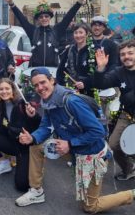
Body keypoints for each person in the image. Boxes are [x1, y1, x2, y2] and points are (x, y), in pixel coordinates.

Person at [16, 67, 134, 213]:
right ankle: (36, 191)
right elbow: (46, 127)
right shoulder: (48, 101)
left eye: (42, 82)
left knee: (90, 207)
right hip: (72, 150)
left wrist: (70, 144)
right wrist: (32, 137)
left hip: (91, 155)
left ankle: (132, 194)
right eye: (36, 85)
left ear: (52, 80)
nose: (40, 88)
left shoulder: (71, 101)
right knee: (36, 146)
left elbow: (98, 131)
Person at [0, 78, 40, 191]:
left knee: (21, 186)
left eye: (7, 88)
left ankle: (23, 163)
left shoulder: (23, 103)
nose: (4, 91)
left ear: (13, 90)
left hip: (25, 147)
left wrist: (33, 115)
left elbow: (38, 124)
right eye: (1, 89)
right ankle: (3, 163)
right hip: (10, 142)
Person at [2, 0, 89, 67]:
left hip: (53, 71)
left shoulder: (56, 30)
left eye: (46, 16)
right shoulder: (33, 31)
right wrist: (11, 3)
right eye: (41, 17)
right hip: (35, 70)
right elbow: (21, 19)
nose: (44, 19)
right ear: (38, 19)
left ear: (50, 18)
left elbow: (69, 15)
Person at [94, 39, 135, 180]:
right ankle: (130, 169)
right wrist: (100, 68)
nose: (127, 57)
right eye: (123, 54)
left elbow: (130, 98)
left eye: (130, 53)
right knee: (114, 145)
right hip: (128, 115)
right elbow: (101, 84)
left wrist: (126, 98)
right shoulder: (119, 72)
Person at [57, 23, 102, 95]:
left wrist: (86, 83)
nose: (78, 35)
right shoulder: (69, 49)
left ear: (87, 34)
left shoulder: (95, 50)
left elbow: (99, 73)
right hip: (71, 89)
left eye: (81, 32)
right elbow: (60, 70)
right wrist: (61, 86)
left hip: (90, 91)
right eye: (76, 33)